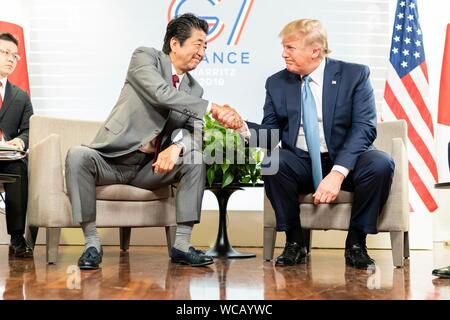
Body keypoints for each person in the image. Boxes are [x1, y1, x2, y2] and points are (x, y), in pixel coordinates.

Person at [65, 13, 242, 270]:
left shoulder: (194, 89)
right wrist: (211, 107)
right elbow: (160, 94)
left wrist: (177, 147)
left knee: (194, 157)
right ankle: (92, 244)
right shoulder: (144, 58)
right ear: (174, 43)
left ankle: (181, 245)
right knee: (77, 154)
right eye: (198, 44)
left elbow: (195, 131)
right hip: (113, 158)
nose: (202, 52)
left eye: (206, 46)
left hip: (150, 168)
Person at [220, 19, 395, 269]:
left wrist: (337, 173)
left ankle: (356, 242)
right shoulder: (277, 82)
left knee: (380, 164)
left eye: (290, 47)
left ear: (315, 50)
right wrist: (242, 128)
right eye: (284, 47)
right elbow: (271, 134)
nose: (283, 54)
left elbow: (364, 128)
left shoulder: (354, 75)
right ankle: (294, 242)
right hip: (301, 160)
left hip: (346, 159)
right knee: (274, 163)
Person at [0, 32, 34, 258]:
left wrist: (20, 140)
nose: (11, 59)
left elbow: (30, 129)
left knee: (19, 168)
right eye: (4, 53)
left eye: (15, 56)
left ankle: (17, 237)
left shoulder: (21, 96)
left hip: (6, 159)